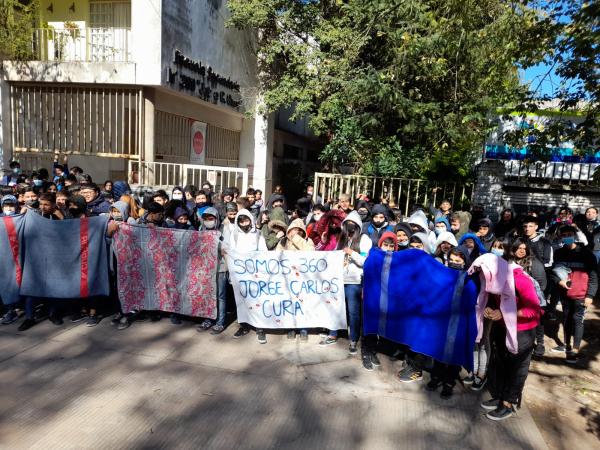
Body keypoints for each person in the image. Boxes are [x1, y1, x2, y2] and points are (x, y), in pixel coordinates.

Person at [483, 247, 542, 421]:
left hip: (522, 332)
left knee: (516, 368)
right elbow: (496, 302)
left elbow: (534, 310)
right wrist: (490, 309)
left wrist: (506, 313)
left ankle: (508, 403)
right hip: (501, 327)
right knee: (500, 363)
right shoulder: (494, 280)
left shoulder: (521, 281)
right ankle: (500, 396)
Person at [320, 211, 372, 353]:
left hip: (354, 282)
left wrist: (351, 253)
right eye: (347, 225)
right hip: (338, 280)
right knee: (335, 307)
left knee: (353, 311)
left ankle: (354, 339)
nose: (349, 228)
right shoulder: (341, 239)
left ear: (358, 227)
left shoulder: (364, 239)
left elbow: (365, 261)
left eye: (353, 225)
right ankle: (332, 334)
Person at [426, 246, 470, 399]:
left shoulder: (469, 279)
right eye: (451, 260)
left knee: (454, 352)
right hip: (442, 318)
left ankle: (449, 382)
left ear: (465, 262)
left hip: (459, 321)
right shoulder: (442, 275)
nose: (454, 263)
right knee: (438, 349)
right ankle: (436, 377)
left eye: (458, 260)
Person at [551, 225, 598, 363]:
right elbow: (554, 272)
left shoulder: (586, 254)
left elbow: (594, 277)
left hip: (581, 295)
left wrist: (590, 295)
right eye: (564, 235)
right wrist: (559, 282)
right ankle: (567, 345)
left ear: (574, 235)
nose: (567, 237)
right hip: (565, 294)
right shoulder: (559, 253)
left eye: (569, 234)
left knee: (578, 320)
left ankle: (575, 350)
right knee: (566, 319)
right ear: (560, 237)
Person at [226, 209, 268, 343]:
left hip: (254, 273)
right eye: (241, 220)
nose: (244, 223)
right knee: (241, 301)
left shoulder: (257, 234)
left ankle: (260, 328)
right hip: (239, 274)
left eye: (246, 220)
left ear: (250, 219)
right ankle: (243, 326)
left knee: (256, 300)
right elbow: (231, 251)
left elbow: (263, 253)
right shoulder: (234, 235)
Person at [362, 231, 398, 371]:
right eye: (385, 244)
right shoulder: (374, 256)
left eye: (391, 245)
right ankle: (366, 353)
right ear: (380, 244)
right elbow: (367, 273)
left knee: (379, 326)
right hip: (372, 295)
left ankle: (373, 351)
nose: (388, 248)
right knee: (369, 325)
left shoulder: (396, 259)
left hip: (387, 297)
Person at [276, 218, 315, 341]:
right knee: (289, 303)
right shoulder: (283, 242)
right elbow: (276, 256)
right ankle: (290, 328)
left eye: (298, 230)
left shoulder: (308, 241)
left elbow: (311, 253)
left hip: (303, 278)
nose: (295, 232)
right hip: (288, 278)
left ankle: (303, 329)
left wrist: (296, 239)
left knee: (303, 303)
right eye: (293, 230)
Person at [196, 207, 229, 334]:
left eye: (211, 218)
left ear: (216, 218)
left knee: (220, 296)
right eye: (206, 219)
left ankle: (220, 322)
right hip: (205, 268)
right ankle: (208, 319)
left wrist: (216, 244)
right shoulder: (201, 230)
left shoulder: (224, 230)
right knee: (207, 295)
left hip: (220, 268)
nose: (208, 221)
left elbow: (227, 248)